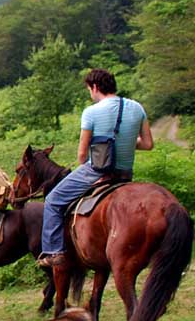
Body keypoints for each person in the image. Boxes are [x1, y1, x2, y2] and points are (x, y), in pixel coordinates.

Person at [38, 69, 154, 268]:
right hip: (125, 174)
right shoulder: (137, 108)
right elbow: (148, 144)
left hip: (97, 171)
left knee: (53, 201)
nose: (90, 94)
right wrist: (124, 141)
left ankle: (55, 252)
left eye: (89, 90)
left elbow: (82, 155)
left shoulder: (91, 112)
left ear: (95, 87)